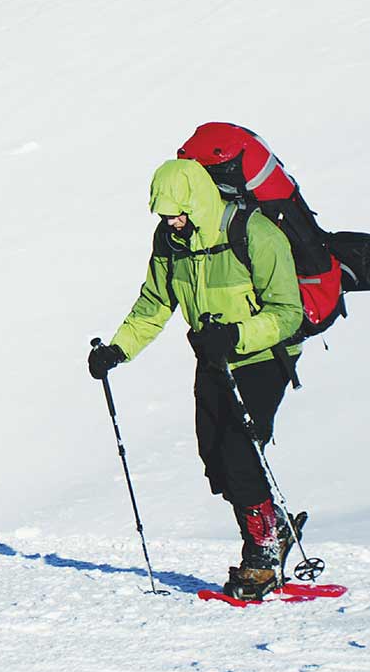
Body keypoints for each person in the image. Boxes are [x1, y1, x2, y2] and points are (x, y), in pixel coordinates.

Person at [87, 158, 304, 599]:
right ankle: (272, 526)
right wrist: (117, 349)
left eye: (178, 211)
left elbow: (288, 312)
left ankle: (262, 555)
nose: (172, 221)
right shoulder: (171, 242)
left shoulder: (255, 234)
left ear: (198, 201)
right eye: (165, 214)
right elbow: (154, 304)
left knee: (241, 452)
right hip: (212, 357)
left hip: (263, 356)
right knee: (216, 460)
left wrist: (237, 335)